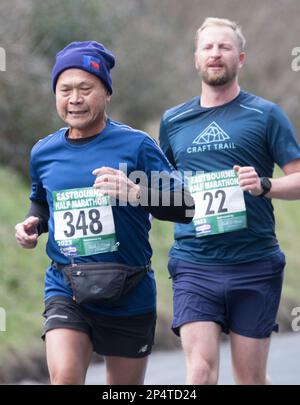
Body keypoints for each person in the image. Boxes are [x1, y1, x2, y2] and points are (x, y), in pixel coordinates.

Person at [15, 41, 194, 385]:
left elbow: (186, 205)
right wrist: (33, 225)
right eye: (65, 89)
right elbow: (41, 201)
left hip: (130, 289)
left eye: (86, 88)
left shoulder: (136, 146)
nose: (75, 98)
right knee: (65, 378)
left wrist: (137, 192)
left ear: (106, 93)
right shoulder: (44, 152)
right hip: (67, 286)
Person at [159, 17, 300, 385]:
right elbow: (164, 188)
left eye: (224, 47)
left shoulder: (266, 115)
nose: (215, 54)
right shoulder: (173, 120)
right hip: (195, 263)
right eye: (207, 47)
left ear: (240, 58)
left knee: (249, 379)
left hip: (254, 263)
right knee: (201, 373)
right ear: (196, 59)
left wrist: (265, 184)